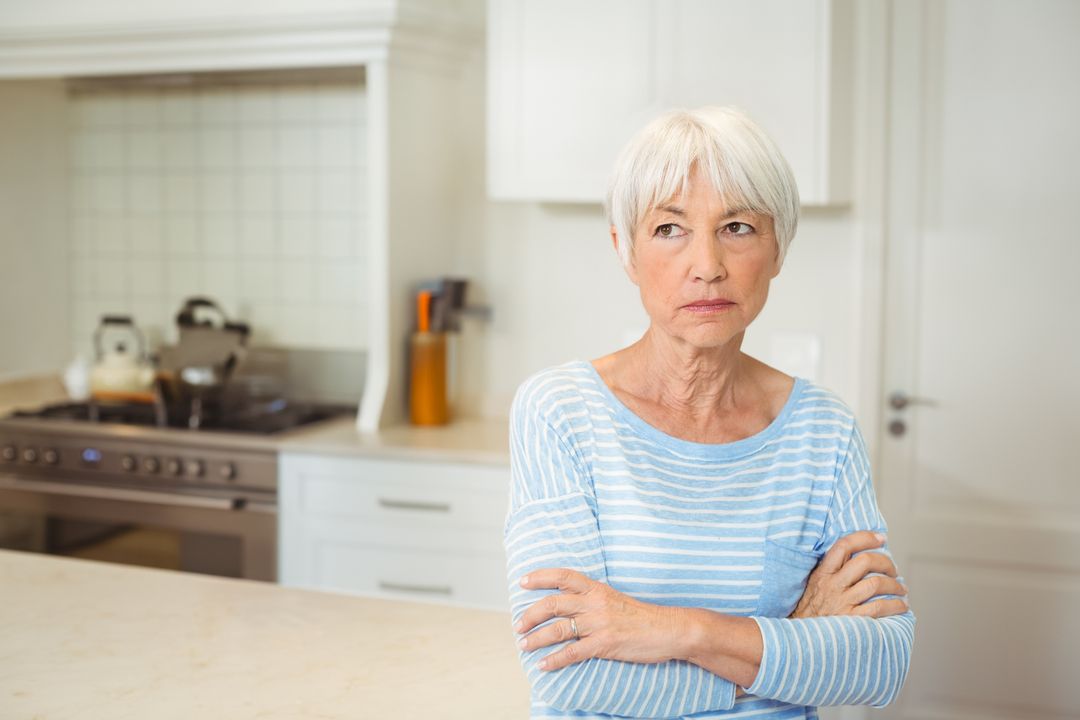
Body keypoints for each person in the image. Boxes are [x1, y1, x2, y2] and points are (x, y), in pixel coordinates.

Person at [504, 107, 915, 719]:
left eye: (738, 227)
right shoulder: (560, 411)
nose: (708, 265)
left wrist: (678, 631)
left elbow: (881, 663)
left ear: (778, 248)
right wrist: (785, 645)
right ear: (625, 249)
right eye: (669, 229)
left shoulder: (823, 430)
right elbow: (566, 668)